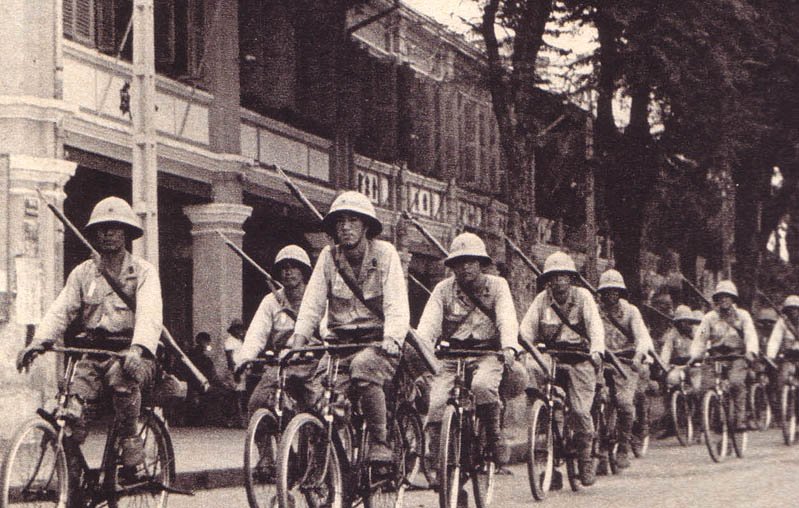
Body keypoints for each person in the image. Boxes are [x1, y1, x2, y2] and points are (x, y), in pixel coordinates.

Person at [16, 196, 162, 479]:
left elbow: (150, 314)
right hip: (92, 354)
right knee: (71, 407)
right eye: (102, 228)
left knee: (123, 380)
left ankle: (131, 440)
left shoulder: (142, 272)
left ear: (127, 232)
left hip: (130, 354)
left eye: (114, 227)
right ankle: (73, 481)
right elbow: (62, 310)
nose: (107, 233)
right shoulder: (83, 273)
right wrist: (37, 342)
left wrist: (139, 348)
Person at [286, 191, 410, 463]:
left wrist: (392, 338)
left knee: (363, 368)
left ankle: (380, 441)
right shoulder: (328, 258)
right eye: (340, 222)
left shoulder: (385, 254)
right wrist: (298, 341)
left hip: (377, 343)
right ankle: (330, 456)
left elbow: (397, 304)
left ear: (366, 226)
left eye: (353, 220)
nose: (346, 227)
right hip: (339, 345)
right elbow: (312, 305)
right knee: (313, 386)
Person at [416, 232, 523, 469]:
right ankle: (438, 457)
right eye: (459, 262)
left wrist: (508, 346)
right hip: (451, 355)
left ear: (481, 263)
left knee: (482, 385)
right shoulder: (443, 290)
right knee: (436, 402)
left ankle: (494, 435)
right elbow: (428, 325)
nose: (465, 268)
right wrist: (421, 349)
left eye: (471, 261)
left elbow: (507, 318)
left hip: (488, 354)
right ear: (452, 266)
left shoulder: (497, 286)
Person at [519, 251, 605, 486]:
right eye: (554, 276)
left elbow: (595, 326)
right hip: (552, 356)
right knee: (536, 378)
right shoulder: (541, 300)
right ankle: (542, 415)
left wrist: (597, 349)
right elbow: (526, 329)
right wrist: (520, 347)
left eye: (563, 276)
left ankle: (585, 459)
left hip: (579, 358)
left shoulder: (583, 298)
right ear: (548, 279)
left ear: (571, 278)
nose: (559, 281)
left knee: (579, 412)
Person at [234, 245, 317, 418]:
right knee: (256, 403)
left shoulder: (316, 297)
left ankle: (317, 441)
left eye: (293, 266)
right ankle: (269, 445)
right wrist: (244, 359)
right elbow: (257, 332)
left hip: (314, 362)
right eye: (284, 268)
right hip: (284, 363)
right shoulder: (271, 301)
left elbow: (327, 329)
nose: (288, 272)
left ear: (303, 271)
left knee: (319, 405)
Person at [596, 269, 654, 470]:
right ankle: (599, 449)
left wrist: (639, 355)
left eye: (615, 290)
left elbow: (643, 338)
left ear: (620, 292)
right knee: (593, 401)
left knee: (624, 403)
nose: (610, 294)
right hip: (601, 361)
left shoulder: (631, 312)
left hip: (625, 363)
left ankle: (622, 445)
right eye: (606, 291)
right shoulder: (595, 311)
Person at [688, 280, 758, 431]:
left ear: (733, 299)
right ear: (716, 300)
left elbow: (750, 335)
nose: (724, 299)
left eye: (727, 296)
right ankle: (711, 418)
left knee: (736, 383)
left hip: (737, 356)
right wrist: (695, 355)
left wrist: (751, 351)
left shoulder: (742, 316)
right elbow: (700, 338)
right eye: (720, 297)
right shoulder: (709, 317)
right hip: (715, 357)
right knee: (706, 387)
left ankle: (740, 419)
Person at [766, 295, 799, 388]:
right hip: (789, 356)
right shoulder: (783, 322)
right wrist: (770, 355)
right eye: (790, 309)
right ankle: (781, 401)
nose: (793, 311)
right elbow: (775, 339)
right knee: (782, 378)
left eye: (795, 308)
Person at [224, 319, 247, 426]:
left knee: (240, 395)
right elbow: (230, 358)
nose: (239, 331)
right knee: (235, 396)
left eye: (240, 328)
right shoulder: (230, 341)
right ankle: (235, 419)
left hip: (241, 369)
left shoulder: (239, 341)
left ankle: (238, 419)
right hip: (235, 371)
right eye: (237, 328)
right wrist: (234, 372)